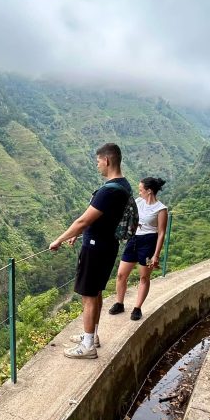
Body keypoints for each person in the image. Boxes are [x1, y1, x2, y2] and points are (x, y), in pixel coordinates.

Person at [49, 143, 132, 358]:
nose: (97, 166)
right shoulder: (124, 185)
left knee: (87, 296)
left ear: (106, 160)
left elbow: (84, 219)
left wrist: (59, 239)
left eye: (97, 162)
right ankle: (91, 335)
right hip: (107, 245)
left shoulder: (107, 191)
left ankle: (88, 347)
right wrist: (79, 232)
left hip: (95, 248)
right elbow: (96, 219)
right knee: (96, 292)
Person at [108, 176, 168, 322]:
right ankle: (119, 303)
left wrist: (156, 255)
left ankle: (137, 308)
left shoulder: (161, 209)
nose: (139, 192)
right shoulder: (138, 201)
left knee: (144, 277)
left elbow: (161, 233)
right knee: (121, 274)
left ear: (149, 191)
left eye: (141, 189)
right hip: (134, 240)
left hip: (149, 243)